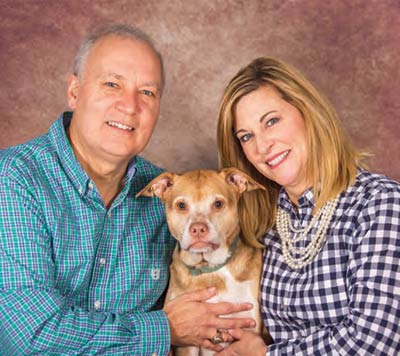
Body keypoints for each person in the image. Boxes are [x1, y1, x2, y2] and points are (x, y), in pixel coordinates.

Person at [0, 24, 256, 355]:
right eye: (111, 84)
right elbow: (31, 337)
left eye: (147, 92)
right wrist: (167, 329)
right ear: (74, 91)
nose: (130, 106)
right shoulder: (15, 180)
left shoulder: (166, 196)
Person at [216, 57, 400, 355]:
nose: (262, 147)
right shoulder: (264, 224)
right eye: (247, 137)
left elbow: (375, 341)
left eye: (271, 121)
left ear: (308, 112)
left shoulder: (380, 204)